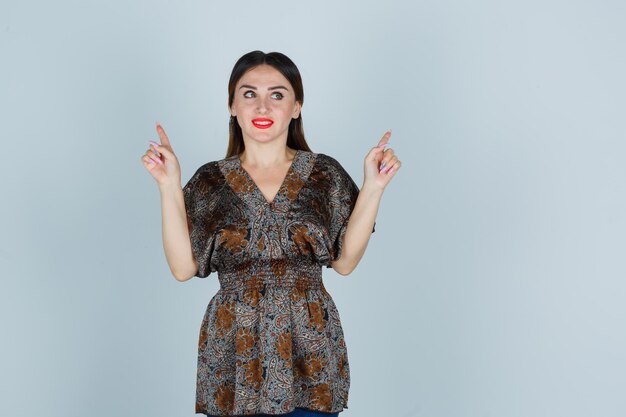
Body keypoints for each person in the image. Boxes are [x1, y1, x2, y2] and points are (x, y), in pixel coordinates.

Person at [141, 50, 401, 417]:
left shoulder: (324, 174)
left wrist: (374, 187)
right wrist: (169, 185)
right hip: (234, 347)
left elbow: (344, 263)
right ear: (232, 105)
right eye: (249, 94)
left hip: (309, 345)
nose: (262, 106)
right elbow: (183, 268)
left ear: (296, 106)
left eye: (277, 95)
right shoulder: (211, 181)